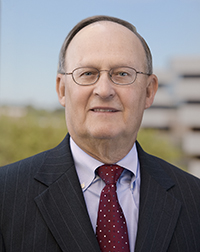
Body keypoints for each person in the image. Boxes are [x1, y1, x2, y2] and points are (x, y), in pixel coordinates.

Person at [0, 15, 200, 252]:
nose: (104, 90)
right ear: (62, 89)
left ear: (149, 91)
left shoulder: (195, 199)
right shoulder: (5, 195)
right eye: (87, 73)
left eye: (123, 74)